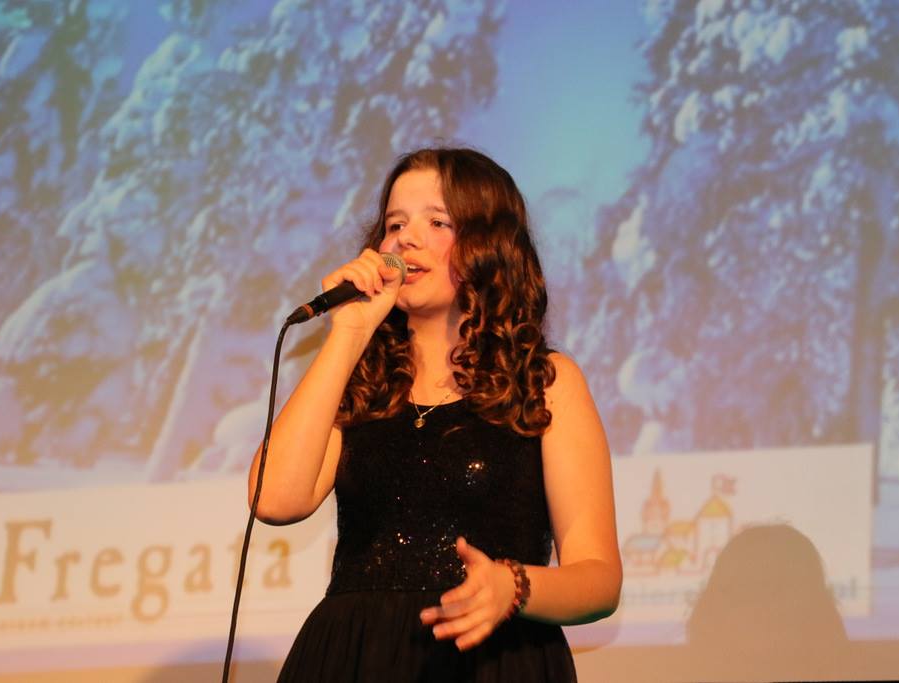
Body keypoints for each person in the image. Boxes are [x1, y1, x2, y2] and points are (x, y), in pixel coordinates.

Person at [249, 147, 621, 682]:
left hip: (489, 661)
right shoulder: (357, 378)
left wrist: (513, 586)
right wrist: (349, 333)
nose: (406, 239)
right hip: (352, 659)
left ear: (488, 245)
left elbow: (599, 579)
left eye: (437, 222)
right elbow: (272, 499)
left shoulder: (544, 380)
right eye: (395, 224)